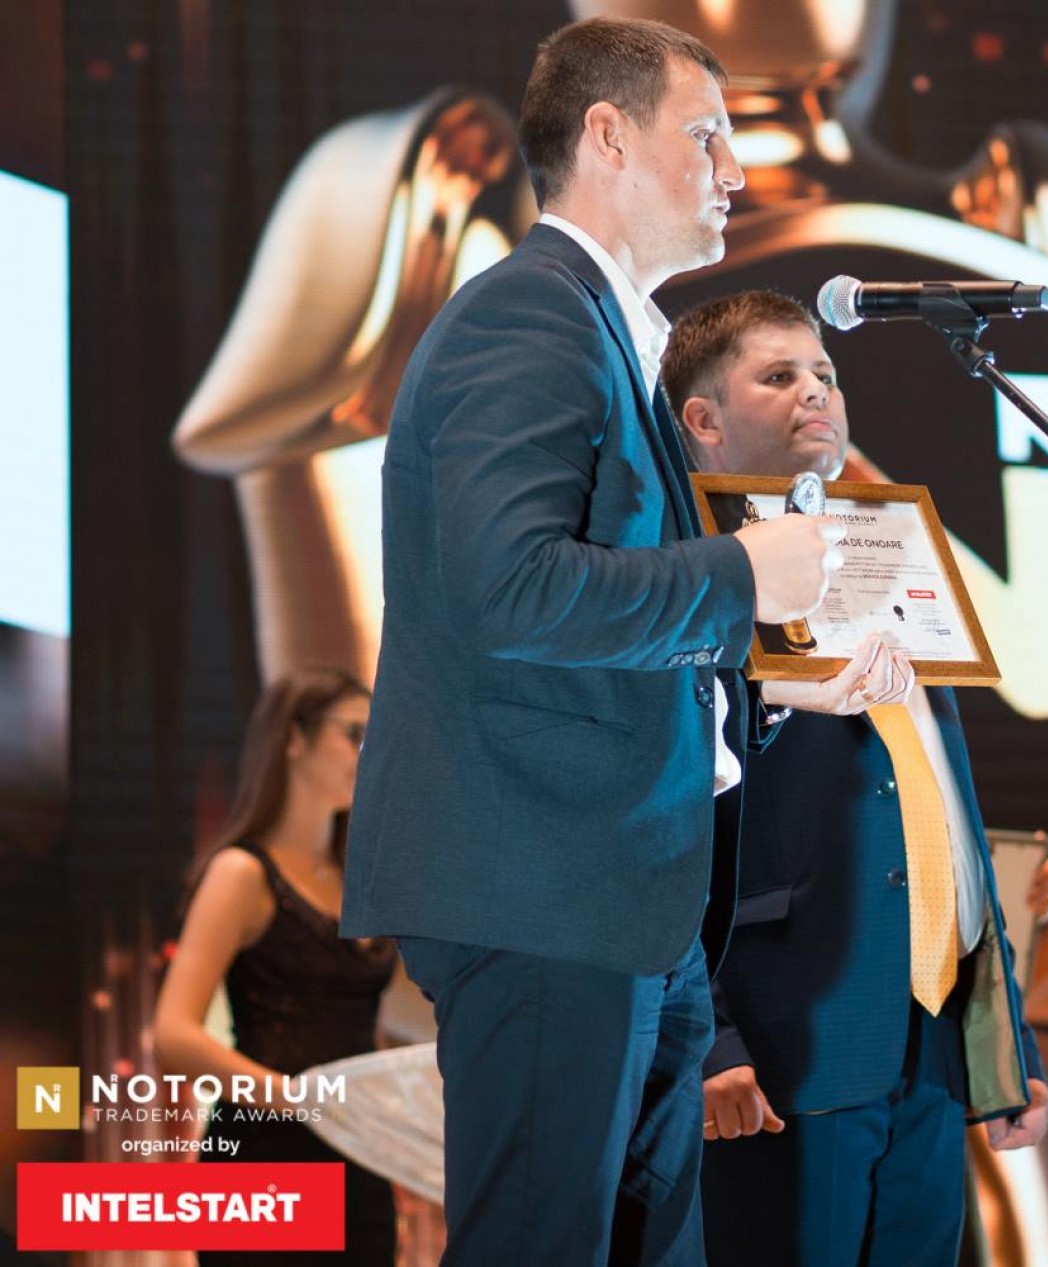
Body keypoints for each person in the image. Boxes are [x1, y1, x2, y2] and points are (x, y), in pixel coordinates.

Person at [338, 19, 901, 1266]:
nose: (735, 172)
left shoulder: (608, 328)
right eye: (706, 138)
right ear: (607, 136)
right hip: (544, 886)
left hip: (626, 903)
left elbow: (602, 625)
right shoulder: (528, 317)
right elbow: (512, 589)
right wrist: (745, 574)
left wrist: (770, 692)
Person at [661, 290, 1048, 1267]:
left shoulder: (894, 559)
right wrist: (708, 1040)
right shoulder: (679, 581)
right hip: (783, 1044)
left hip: (931, 1043)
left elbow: (946, 814)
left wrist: (1006, 1043)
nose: (816, 392)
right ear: (703, 419)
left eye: (826, 373)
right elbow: (661, 837)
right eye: (778, 375)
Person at [154, 667, 397, 1265]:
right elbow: (174, 1036)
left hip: (358, 1158)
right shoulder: (241, 874)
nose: (368, 753)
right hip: (263, 1159)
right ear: (294, 737)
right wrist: (302, 1100)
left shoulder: (361, 880)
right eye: (354, 733)